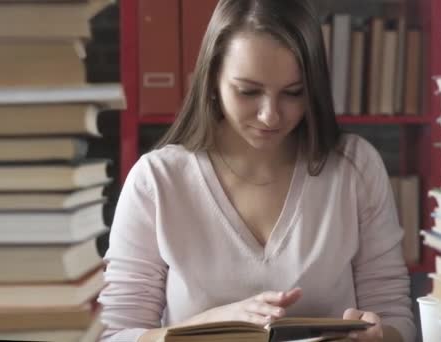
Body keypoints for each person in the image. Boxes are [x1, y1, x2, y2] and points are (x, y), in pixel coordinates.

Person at [98, 0, 416, 341]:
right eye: (248, 91)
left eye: (293, 93)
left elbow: (396, 315)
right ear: (212, 79)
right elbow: (115, 334)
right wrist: (213, 325)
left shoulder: (355, 167)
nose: (270, 116)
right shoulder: (157, 181)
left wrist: (381, 337)